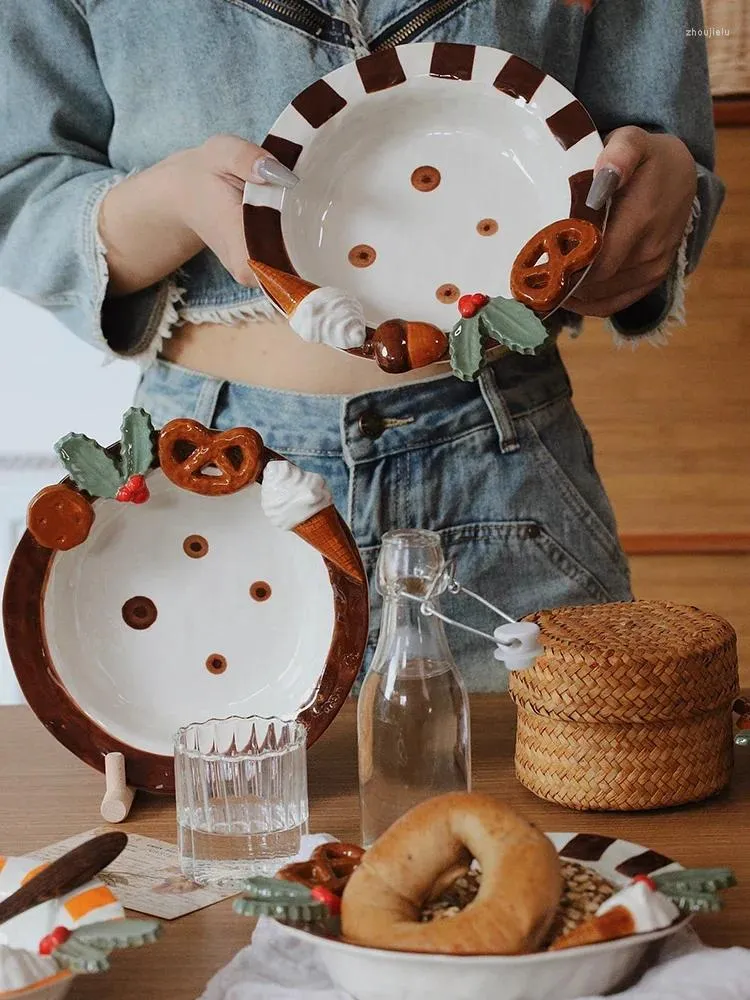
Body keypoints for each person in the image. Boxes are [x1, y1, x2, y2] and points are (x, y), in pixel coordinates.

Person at [0, 1, 722, 690]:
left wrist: (662, 192)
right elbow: (22, 185)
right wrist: (176, 200)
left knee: (560, 801)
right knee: (217, 812)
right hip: (207, 480)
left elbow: (661, 145)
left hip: (502, 460)